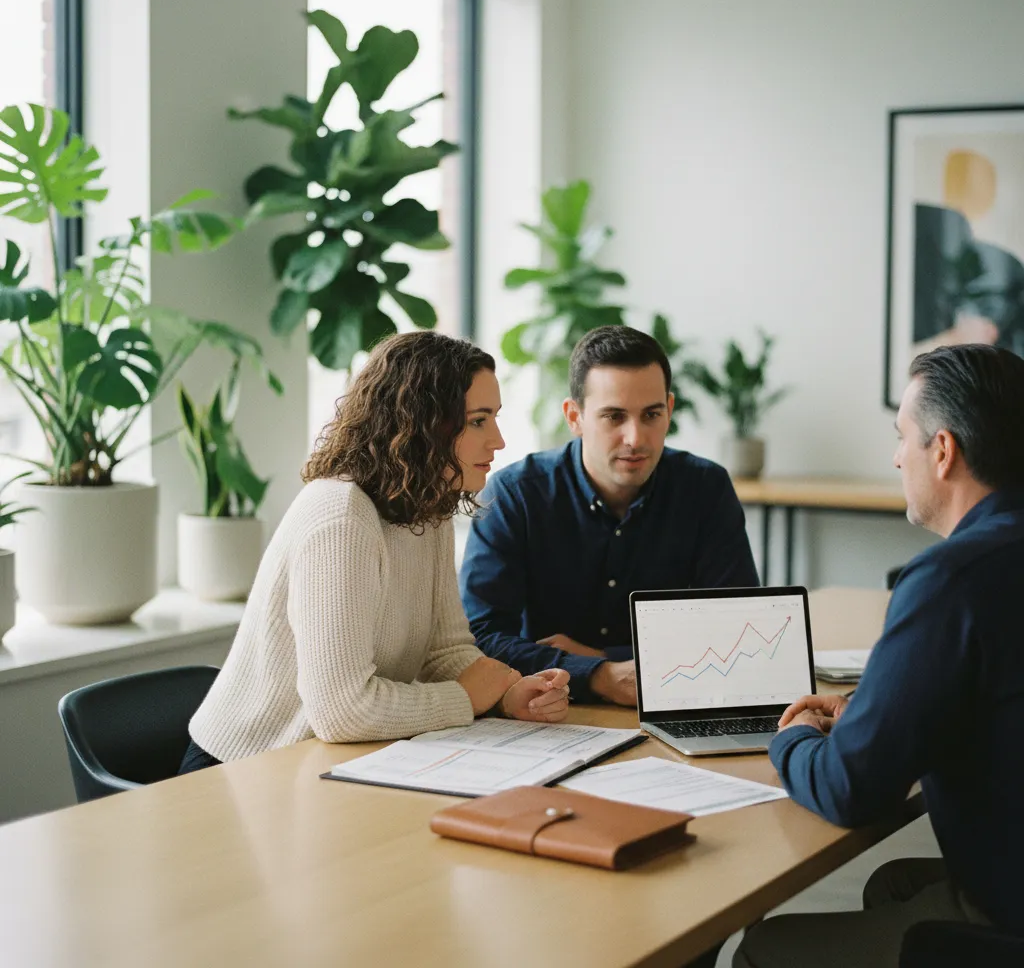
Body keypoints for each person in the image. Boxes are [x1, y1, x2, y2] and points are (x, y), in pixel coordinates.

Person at [734, 344, 1024, 967]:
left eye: (903, 437)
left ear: (943, 451)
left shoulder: (950, 578)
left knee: (760, 950)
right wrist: (874, 711)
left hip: (1010, 916)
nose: (896, 457)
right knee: (889, 883)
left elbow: (850, 789)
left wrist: (796, 736)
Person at [180, 332, 569, 773]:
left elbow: (444, 651)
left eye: (494, 418)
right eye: (479, 420)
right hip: (244, 769)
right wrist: (466, 698)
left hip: (334, 761)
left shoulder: (428, 505)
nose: (497, 441)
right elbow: (342, 710)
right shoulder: (341, 517)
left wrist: (506, 693)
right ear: (425, 422)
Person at [460, 325, 758, 708]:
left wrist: (598, 659)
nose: (635, 437)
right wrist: (600, 677)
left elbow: (738, 627)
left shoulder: (706, 488)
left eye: (651, 414)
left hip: (678, 704)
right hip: (552, 713)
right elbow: (482, 637)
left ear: (669, 409)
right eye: (614, 417)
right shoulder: (514, 495)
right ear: (575, 416)